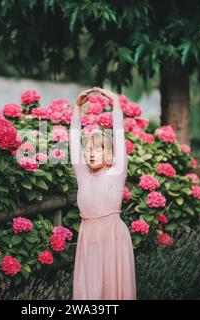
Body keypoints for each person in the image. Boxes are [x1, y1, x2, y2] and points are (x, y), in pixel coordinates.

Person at [70, 87, 137, 300]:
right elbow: (73, 145)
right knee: (89, 291)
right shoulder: (83, 176)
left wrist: (116, 103)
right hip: (88, 240)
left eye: (97, 148)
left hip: (113, 238)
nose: (90, 152)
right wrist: (77, 109)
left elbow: (119, 137)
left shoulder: (116, 173)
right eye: (88, 149)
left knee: (113, 289)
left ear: (110, 156)